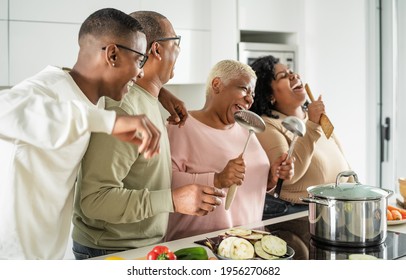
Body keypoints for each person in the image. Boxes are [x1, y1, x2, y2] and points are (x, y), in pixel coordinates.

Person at [0, 8, 166, 260]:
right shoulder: (44, 90)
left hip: (47, 256)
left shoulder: (93, 99)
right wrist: (110, 122)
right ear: (112, 54)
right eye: (139, 60)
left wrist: (163, 94)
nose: (141, 71)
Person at [71, 11, 225, 260]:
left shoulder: (148, 98)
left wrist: (161, 91)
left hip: (139, 245)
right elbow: (95, 200)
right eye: (176, 44)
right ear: (156, 50)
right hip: (111, 250)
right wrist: (173, 200)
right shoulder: (123, 108)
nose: (178, 53)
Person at [164, 60, 294, 241]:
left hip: (249, 245)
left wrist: (272, 179)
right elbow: (162, 181)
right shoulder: (180, 125)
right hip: (200, 247)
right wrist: (217, 179)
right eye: (244, 89)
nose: (250, 99)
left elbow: (251, 184)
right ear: (217, 85)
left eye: (253, 94)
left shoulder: (246, 129)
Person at [249, 55, 352, 218]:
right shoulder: (268, 125)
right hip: (300, 217)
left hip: (337, 213)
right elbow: (287, 178)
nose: (294, 76)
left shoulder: (315, 119)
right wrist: (311, 125)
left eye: (291, 71)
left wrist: (359, 194)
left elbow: (344, 163)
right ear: (270, 95)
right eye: (283, 76)